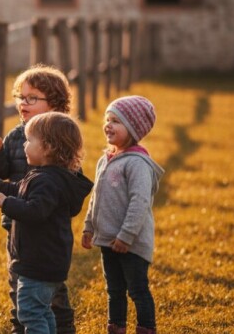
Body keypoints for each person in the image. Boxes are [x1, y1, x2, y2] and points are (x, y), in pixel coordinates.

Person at [0, 112, 93, 334]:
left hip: (39, 263)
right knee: (42, 311)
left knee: (30, 312)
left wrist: (6, 204)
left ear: (48, 148)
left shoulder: (48, 181)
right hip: (45, 261)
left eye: (30, 140)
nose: (24, 144)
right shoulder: (42, 175)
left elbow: (35, 211)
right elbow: (16, 190)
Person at [0, 64, 76, 334]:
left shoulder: (61, 137)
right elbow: (3, 173)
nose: (23, 103)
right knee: (18, 281)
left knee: (51, 288)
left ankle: (63, 328)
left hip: (47, 230)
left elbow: (69, 182)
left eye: (32, 98)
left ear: (55, 104)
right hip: (15, 225)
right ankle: (20, 326)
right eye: (21, 97)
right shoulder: (15, 135)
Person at [81, 95, 165, 334]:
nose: (108, 124)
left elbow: (139, 202)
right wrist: (89, 227)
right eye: (108, 119)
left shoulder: (137, 164)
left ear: (133, 129)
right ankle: (116, 327)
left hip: (131, 243)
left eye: (116, 121)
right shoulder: (104, 160)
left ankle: (146, 327)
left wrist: (126, 235)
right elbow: (96, 198)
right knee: (114, 289)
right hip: (108, 239)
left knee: (137, 289)